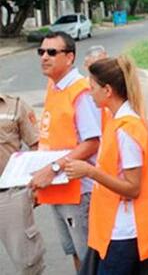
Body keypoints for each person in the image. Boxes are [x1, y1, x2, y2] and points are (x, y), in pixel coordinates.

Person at [65, 56, 148, 274]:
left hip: (124, 231)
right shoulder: (116, 119)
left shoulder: (126, 129)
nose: (89, 92)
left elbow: (132, 188)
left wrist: (90, 171)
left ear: (108, 90)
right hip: (113, 227)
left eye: (92, 87)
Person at [30, 31, 103, 272]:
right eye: (42, 52)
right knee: (73, 251)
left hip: (78, 191)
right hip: (57, 187)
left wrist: (52, 169)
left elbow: (92, 142)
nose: (44, 57)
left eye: (52, 52)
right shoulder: (54, 86)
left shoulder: (81, 91)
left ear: (69, 57)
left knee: (89, 257)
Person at [0, 93, 45, 274]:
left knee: (27, 263)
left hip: (10, 194)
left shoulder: (16, 106)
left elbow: (37, 145)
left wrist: (35, 184)